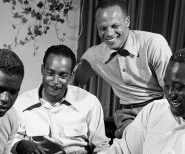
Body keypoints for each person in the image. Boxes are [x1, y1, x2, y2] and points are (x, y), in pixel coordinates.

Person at [74, 0, 172, 138]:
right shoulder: (93, 55)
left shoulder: (153, 43)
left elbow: (171, 90)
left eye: (115, 26)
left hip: (158, 110)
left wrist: (162, 122)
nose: (109, 33)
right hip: (127, 116)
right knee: (88, 133)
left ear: (127, 21)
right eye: (103, 28)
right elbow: (75, 80)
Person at [12, 45, 110, 154]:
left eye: (63, 75)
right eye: (50, 73)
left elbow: (101, 147)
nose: (55, 81)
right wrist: (19, 145)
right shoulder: (20, 104)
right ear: (42, 70)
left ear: (71, 75)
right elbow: (9, 143)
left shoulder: (90, 103)